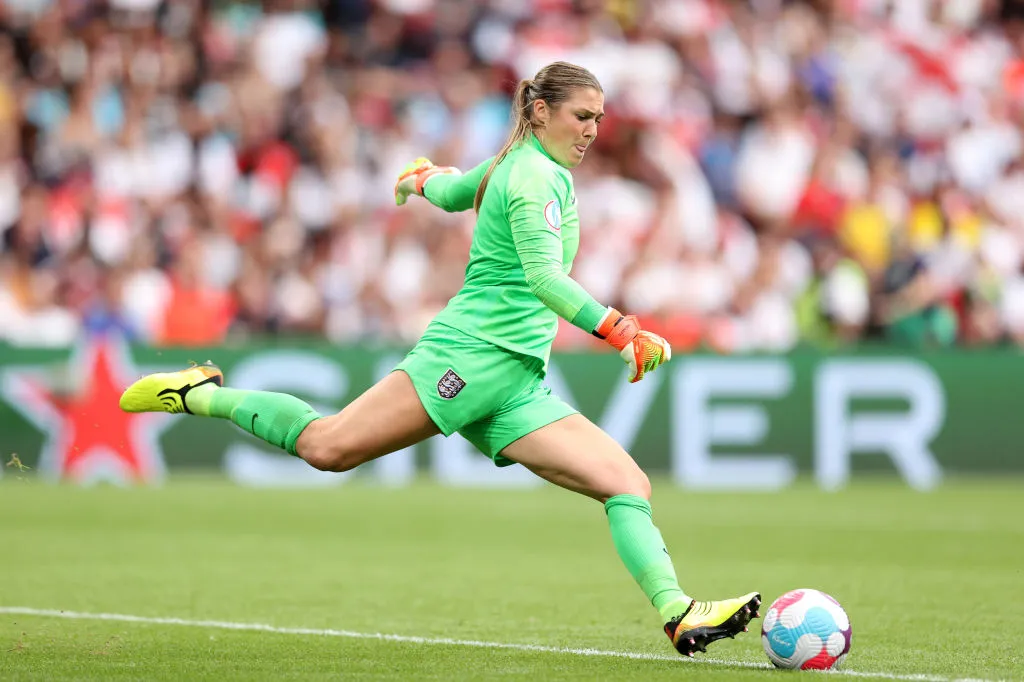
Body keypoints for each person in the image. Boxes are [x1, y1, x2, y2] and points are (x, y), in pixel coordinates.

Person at [120, 61, 759, 657]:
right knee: (328, 447)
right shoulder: (533, 174)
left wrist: (423, 180)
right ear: (539, 110)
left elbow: (458, 192)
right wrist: (621, 329)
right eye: (581, 116)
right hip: (470, 356)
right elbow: (542, 277)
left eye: (598, 117)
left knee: (627, 485)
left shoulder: (520, 161)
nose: (592, 130)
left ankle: (679, 612)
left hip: (516, 382)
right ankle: (201, 392)